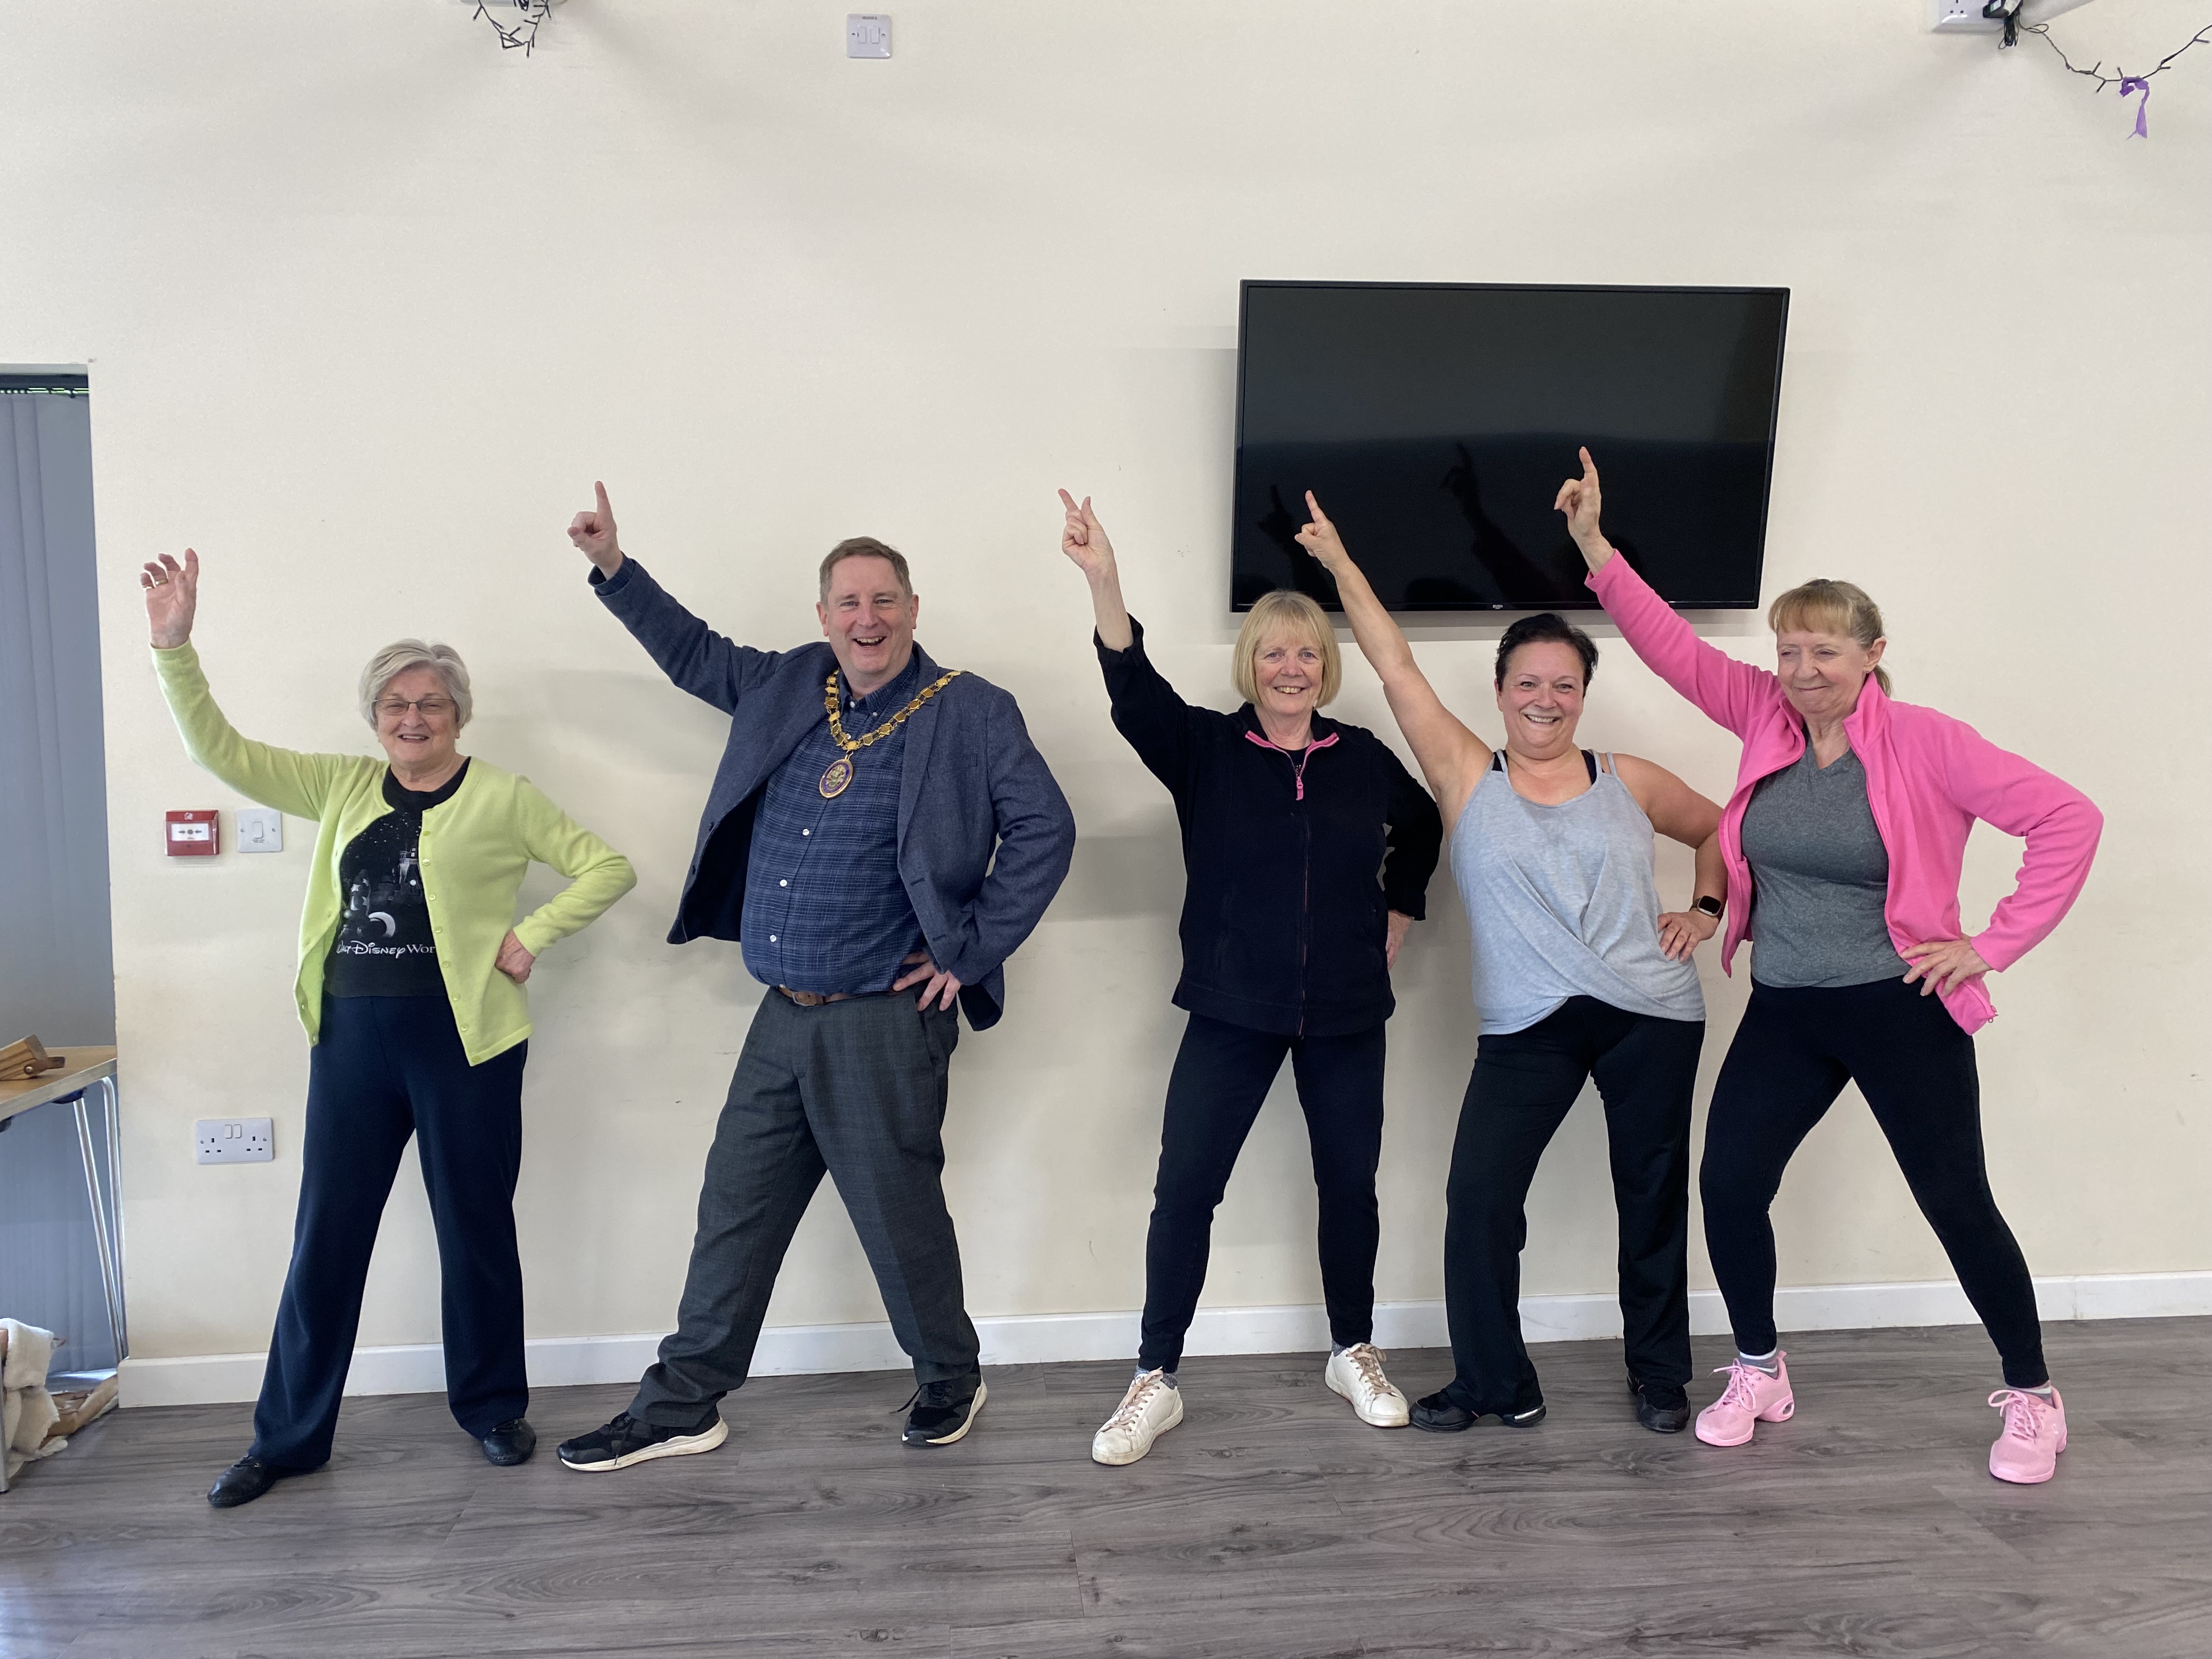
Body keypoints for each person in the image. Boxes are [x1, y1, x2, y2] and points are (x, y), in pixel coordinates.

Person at [1556, 449, 2102, 1483]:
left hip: (1900, 1004)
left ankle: (2034, 1395)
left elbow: (2069, 818)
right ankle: (1761, 1367)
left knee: (1955, 1201)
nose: (1803, 669)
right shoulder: (1766, 714)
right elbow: (1670, 648)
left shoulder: (1929, 743)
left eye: (1824, 651)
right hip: (1790, 1005)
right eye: (1789, 650)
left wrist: (1988, 944)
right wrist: (1594, 547)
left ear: (1872, 653)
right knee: (1728, 1183)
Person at [554, 484, 1076, 1470]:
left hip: (883, 1017)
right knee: (733, 1207)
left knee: (896, 1213)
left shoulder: (969, 709)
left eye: (884, 601)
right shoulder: (794, 683)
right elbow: (695, 653)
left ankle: (949, 1378)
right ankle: (684, 1403)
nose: (866, 619)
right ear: (824, 615)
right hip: (780, 1013)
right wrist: (615, 567)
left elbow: (1048, 829)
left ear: (913, 610)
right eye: (848, 603)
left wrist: (966, 953)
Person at [141, 549, 636, 1510]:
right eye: (397, 706)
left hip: (467, 1045)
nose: (414, 719)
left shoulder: (502, 796)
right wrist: (175, 647)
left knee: (476, 1231)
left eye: (432, 705)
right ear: (376, 719)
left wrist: (532, 935)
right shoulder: (338, 787)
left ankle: (493, 1410)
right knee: (326, 1237)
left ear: (458, 715)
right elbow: (220, 752)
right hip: (353, 1042)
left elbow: (606, 867)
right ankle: (287, 1439)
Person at [1295, 494, 1728, 1437]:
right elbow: (1392, 661)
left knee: (1650, 1196)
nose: (1545, 700)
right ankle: (1499, 1381)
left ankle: (1659, 1376)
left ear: (1582, 694)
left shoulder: (1629, 779)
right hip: (1526, 1024)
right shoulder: (1464, 774)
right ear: (1500, 692)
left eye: (1564, 685)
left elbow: (1723, 832)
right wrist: (1338, 563)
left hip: (1650, 1012)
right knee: (1481, 1200)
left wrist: (1703, 910)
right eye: (1528, 683)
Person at [1060, 493, 1443, 1467]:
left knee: (1348, 1188)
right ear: (1250, 666)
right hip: (1232, 1009)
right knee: (1185, 1188)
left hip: (1349, 1014)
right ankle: (1157, 1374)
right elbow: (1130, 688)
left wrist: (1403, 904)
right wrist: (1105, 578)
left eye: (1307, 651)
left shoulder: (1360, 759)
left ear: (1328, 666)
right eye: (1273, 652)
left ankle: (1351, 1348)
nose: (1290, 666)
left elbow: (1428, 823)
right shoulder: (1205, 751)